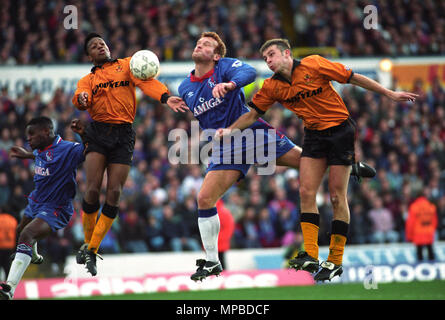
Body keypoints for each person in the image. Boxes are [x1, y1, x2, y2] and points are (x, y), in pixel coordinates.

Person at [178, 32, 375, 282]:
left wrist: (230, 85)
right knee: (204, 198)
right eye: (198, 42)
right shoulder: (185, 87)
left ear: (216, 55)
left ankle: (348, 165)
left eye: (206, 44)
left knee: (307, 165)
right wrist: (169, 100)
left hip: (251, 133)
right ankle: (213, 261)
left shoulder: (224, 67)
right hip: (226, 147)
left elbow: (248, 73)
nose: (199, 45)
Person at [216, 38, 418, 281]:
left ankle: (335, 260)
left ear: (287, 53)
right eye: (265, 58)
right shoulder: (271, 87)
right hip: (313, 134)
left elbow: (353, 77)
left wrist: (388, 93)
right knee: (305, 192)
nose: (268, 61)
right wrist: (229, 131)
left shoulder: (314, 65)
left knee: (335, 196)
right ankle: (311, 254)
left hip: (340, 131)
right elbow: (252, 115)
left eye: (271, 55)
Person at [71, 32, 187, 276]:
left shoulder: (128, 65)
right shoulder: (87, 80)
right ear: (89, 55)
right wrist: (81, 99)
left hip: (124, 134)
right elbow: (81, 99)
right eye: (94, 46)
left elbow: (147, 82)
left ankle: (91, 248)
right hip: (98, 132)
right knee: (92, 189)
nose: (100, 46)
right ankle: (88, 243)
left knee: (114, 193)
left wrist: (166, 97)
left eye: (102, 42)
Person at [0, 117, 85, 300]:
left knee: (27, 235)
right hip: (36, 201)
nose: (28, 138)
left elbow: (89, 150)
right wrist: (27, 154)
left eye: (32, 134)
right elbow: (43, 156)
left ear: (46, 132)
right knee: (20, 230)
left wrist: (84, 134)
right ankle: (35, 255)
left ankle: (9, 288)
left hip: (56, 207)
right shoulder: (40, 149)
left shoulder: (68, 149)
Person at [406, 191, 438, 261]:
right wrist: (432, 229)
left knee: (419, 253)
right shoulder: (431, 206)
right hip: (429, 232)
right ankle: (433, 268)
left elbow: (410, 223)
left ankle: (421, 267)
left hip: (418, 233)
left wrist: (409, 236)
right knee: (430, 251)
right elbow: (435, 221)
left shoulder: (414, 207)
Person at [0, 210, 17, 280]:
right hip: (9, 247)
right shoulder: (12, 220)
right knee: (7, 265)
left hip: (0, 245)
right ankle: (8, 282)